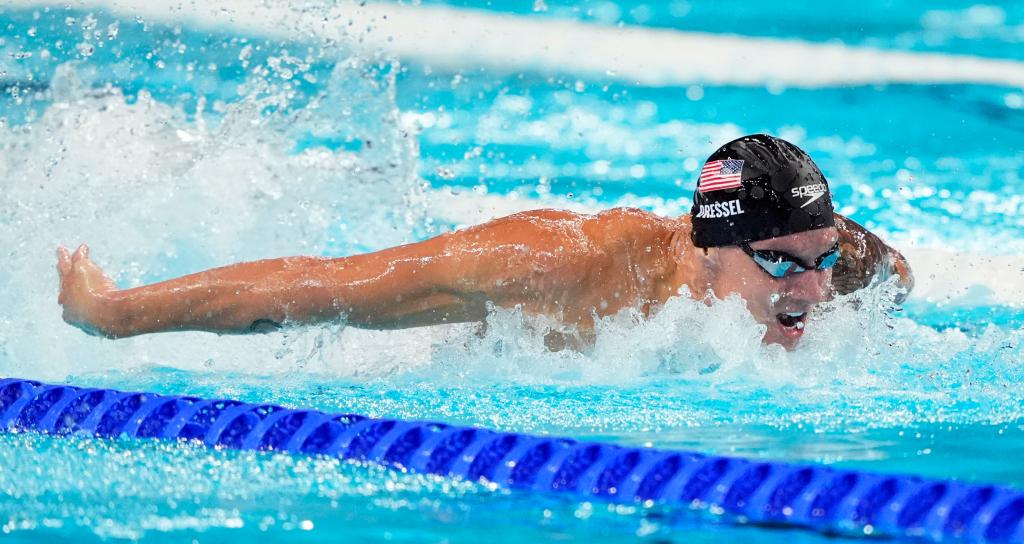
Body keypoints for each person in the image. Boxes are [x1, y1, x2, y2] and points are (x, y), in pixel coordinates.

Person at [56, 134, 912, 351]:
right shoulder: (562, 266)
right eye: (782, 265)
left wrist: (847, 263)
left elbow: (896, 276)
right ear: (705, 246)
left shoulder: (846, 260)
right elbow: (323, 285)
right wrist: (113, 314)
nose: (813, 289)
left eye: (823, 258)